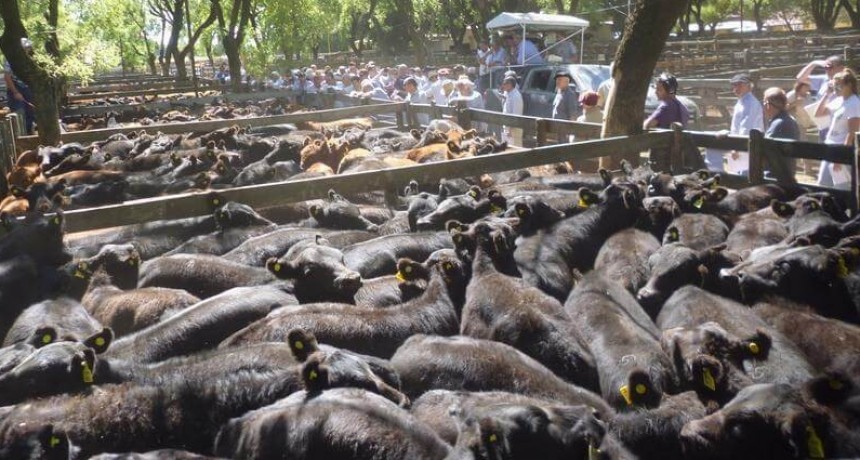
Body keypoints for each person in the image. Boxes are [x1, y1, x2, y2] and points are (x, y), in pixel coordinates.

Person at [705, 73, 763, 174]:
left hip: (747, 143)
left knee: (744, 174)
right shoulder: (742, 101)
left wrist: (736, 147)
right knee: (713, 147)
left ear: (749, 86)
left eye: (739, 85)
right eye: (734, 85)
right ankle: (718, 180)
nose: (736, 88)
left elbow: (746, 128)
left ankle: (718, 181)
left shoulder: (750, 103)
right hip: (742, 142)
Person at [814, 69, 860, 189]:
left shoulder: (854, 104)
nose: (835, 88)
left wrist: (840, 156)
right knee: (823, 185)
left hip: (840, 151)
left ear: (849, 85)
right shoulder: (839, 101)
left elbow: (852, 133)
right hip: (830, 148)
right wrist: (827, 94)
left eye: (838, 85)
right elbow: (818, 114)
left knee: (842, 188)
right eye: (834, 85)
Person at [797, 55, 845, 141]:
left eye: (830, 67)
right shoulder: (824, 80)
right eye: (825, 67)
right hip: (823, 125)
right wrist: (814, 63)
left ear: (841, 68)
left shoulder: (847, 83)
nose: (827, 70)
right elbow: (800, 78)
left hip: (839, 126)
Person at [761, 87, 801, 182]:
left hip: (775, 176)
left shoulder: (779, 123)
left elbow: (764, 151)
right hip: (786, 174)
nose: (763, 106)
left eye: (764, 102)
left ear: (768, 105)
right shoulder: (787, 119)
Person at [5, 37, 37, 134]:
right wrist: (15, 92)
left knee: (30, 112)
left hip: (27, 88)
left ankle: (29, 134)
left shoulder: (31, 59)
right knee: (18, 112)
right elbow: (7, 77)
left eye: (28, 48)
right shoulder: (10, 60)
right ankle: (19, 136)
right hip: (15, 88)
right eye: (26, 48)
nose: (27, 50)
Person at [500, 76, 523, 146]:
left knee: (515, 149)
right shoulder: (507, 93)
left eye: (505, 84)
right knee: (506, 149)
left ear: (510, 85)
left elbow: (516, 114)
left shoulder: (516, 96)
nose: (503, 85)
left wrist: (510, 129)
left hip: (514, 129)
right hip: (506, 126)